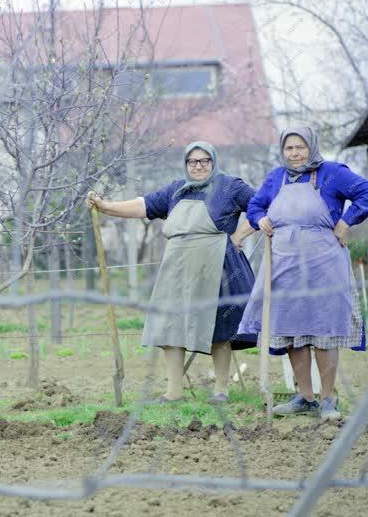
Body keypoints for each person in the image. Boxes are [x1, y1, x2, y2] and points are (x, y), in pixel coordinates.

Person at [86, 141, 258, 404]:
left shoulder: (230, 186)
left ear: (213, 162)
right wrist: (105, 205)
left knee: (219, 330)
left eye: (204, 161)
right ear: (186, 164)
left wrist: (240, 233)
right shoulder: (176, 190)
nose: (198, 166)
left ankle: (221, 391)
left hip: (219, 268)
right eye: (193, 161)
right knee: (171, 328)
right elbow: (143, 205)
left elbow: (261, 206)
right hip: (177, 268)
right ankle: (173, 393)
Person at [238, 124, 368, 420]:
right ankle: (305, 397)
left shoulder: (332, 173)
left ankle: (328, 399)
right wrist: (260, 218)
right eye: (289, 148)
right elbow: (255, 205)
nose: (294, 153)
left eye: (300, 147)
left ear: (311, 147)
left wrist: (346, 222)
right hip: (284, 264)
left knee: (324, 330)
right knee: (292, 331)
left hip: (324, 264)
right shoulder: (276, 178)